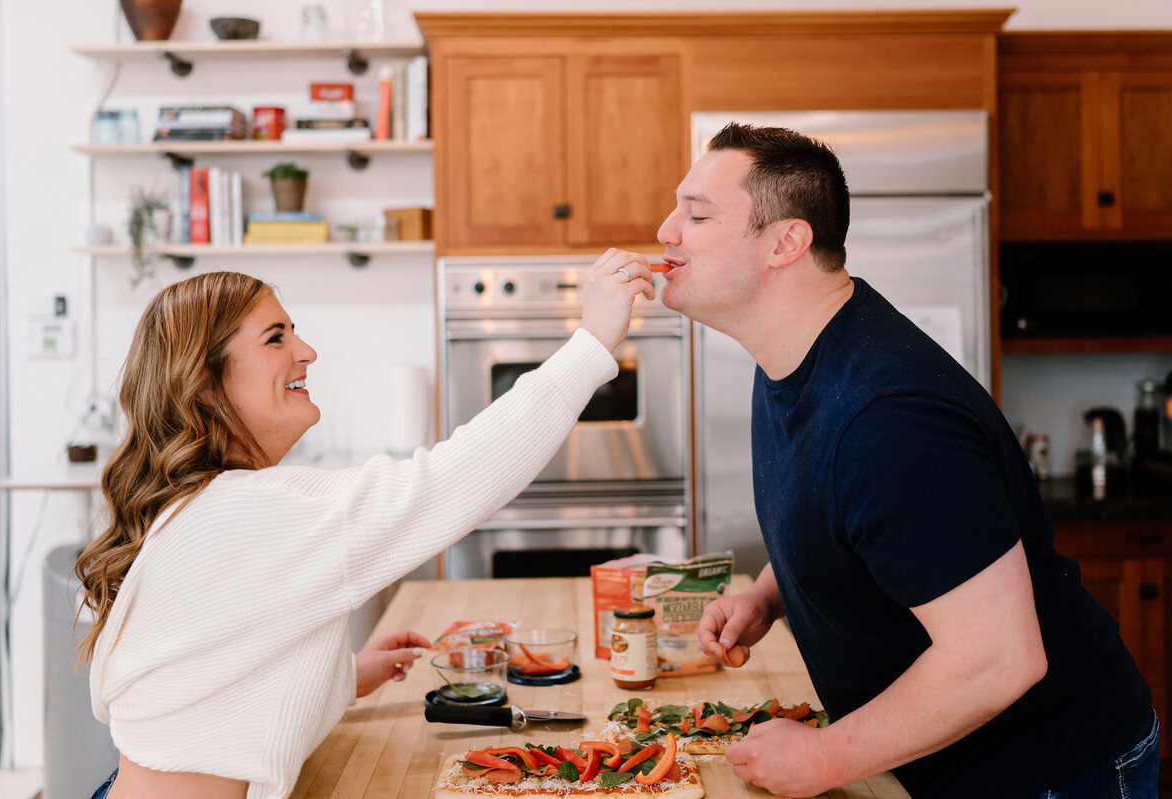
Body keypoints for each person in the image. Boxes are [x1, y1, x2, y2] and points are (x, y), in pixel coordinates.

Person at [654, 124, 1157, 799]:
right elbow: (850, 516)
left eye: (697, 213)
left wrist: (825, 756)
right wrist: (768, 595)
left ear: (785, 242)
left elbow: (999, 659)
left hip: (1051, 769)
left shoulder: (885, 416)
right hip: (942, 762)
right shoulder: (792, 355)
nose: (666, 230)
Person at [75, 255, 655, 799]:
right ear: (205, 384)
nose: (307, 352)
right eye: (276, 338)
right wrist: (592, 343)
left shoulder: (198, 507)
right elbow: (451, 481)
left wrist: (343, 676)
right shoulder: (248, 511)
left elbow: (207, 676)